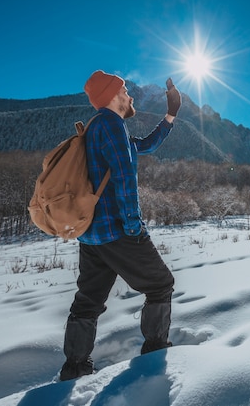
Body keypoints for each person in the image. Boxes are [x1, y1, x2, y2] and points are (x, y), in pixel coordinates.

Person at [59, 70, 181, 381]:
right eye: (125, 91)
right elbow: (125, 176)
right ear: (113, 96)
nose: (130, 96)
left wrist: (170, 116)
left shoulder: (98, 127)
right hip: (117, 230)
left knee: (88, 301)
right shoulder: (112, 124)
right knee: (160, 285)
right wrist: (134, 227)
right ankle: (156, 355)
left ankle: (74, 368)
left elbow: (142, 147)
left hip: (92, 236)